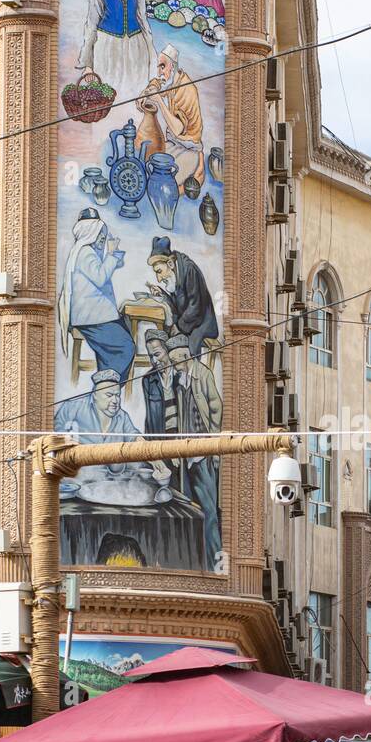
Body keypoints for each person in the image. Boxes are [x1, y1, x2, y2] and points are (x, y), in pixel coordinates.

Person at [58, 207, 135, 384]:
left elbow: (113, 266)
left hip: (97, 317)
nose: (103, 238)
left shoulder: (87, 252)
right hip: (92, 319)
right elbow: (101, 277)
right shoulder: (85, 252)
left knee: (121, 336)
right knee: (127, 347)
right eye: (100, 233)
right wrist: (112, 254)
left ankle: (106, 384)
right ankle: (111, 385)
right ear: (90, 232)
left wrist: (113, 255)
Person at [167, 333, 222, 567]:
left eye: (179, 358)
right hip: (186, 453)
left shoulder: (203, 374)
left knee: (209, 509)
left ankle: (212, 559)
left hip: (203, 452)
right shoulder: (179, 380)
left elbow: (216, 407)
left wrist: (214, 441)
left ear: (187, 355)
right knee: (187, 507)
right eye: (174, 360)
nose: (176, 363)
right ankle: (192, 560)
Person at [141, 44, 204, 190]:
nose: (160, 72)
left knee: (162, 183)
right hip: (173, 144)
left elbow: (177, 129)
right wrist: (144, 94)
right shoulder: (172, 81)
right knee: (147, 167)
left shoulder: (186, 90)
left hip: (188, 148)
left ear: (173, 66)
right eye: (159, 67)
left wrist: (158, 100)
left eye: (163, 66)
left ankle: (198, 165)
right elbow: (157, 83)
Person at [146, 238, 218, 358]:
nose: (159, 279)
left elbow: (195, 308)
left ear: (170, 264)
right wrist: (163, 294)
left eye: (159, 271)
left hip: (202, 324)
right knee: (163, 341)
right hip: (187, 323)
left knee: (187, 352)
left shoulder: (189, 269)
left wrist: (178, 327)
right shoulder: (175, 274)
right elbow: (177, 306)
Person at [141, 330, 179, 438]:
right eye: (150, 356)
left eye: (157, 354)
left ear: (167, 350)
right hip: (160, 441)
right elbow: (150, 417)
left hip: (181, 439)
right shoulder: (148, 379)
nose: (154, 361)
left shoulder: (180, 373)